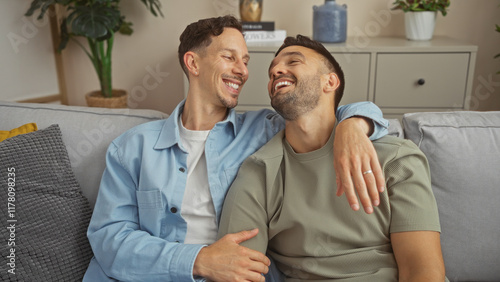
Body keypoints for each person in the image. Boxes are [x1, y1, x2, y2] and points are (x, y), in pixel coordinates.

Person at [83, 17, 389, 282]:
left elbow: (320, 110)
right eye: (230, 57)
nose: (242, 71)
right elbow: (109, 240)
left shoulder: (265, 129)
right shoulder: (132, 148)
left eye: (245, 61)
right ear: (193, 63)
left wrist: (353, 125)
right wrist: (199, 260)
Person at [217, 35, 448, 281]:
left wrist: (353, 126)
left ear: (330, 81)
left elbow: (422, 270)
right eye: (272, 71)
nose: (276, 70)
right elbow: (239, 269)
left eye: (293, 61)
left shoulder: (397, 159)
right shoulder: (259, 172)